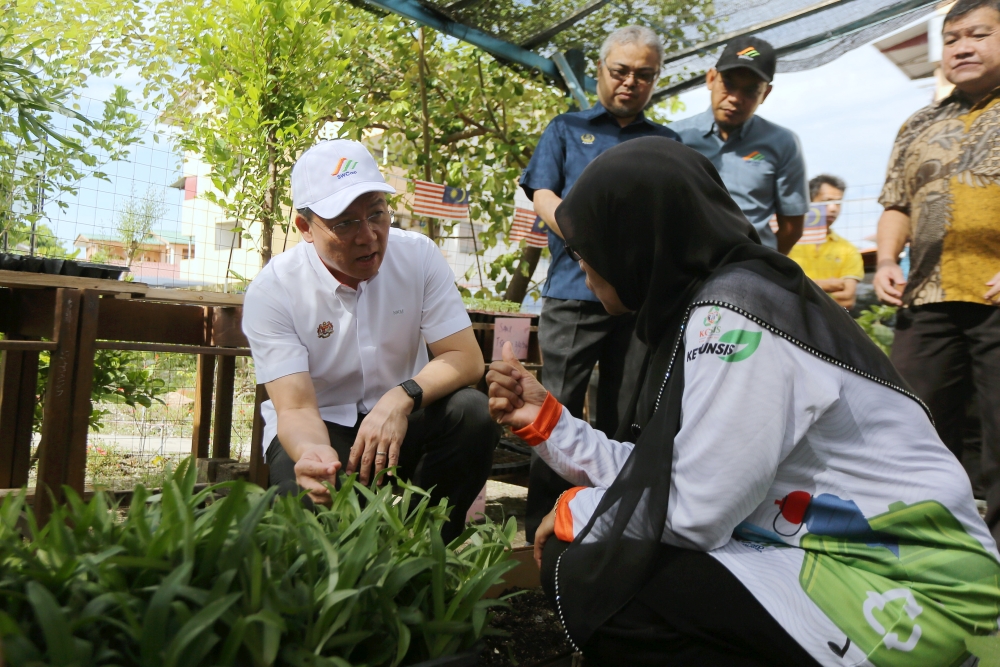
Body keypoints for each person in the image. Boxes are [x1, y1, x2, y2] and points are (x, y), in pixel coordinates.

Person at [487, 138, 1000, 666]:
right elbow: (666, 478)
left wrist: (575, 508)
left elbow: (693, 510)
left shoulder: (734, 319)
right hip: (830, 554)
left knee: (598, 571)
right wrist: (546, 422)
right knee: (611, 549)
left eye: (583, 248)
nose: (578, 266)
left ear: (634, 241)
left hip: (923, 597)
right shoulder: (724, 300)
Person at [242, 139, 497, 541]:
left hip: (405, 417)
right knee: (307, 508)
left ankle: (425, 550)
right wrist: (315, 455)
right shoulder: (274, 290)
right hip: (322, 425)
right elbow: (295, 408)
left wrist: (401, 397)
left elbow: (465, 358)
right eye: (345, 223)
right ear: (305, 228)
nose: (369, 236)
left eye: (377, 213)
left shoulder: (417, 257)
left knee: (472, 413)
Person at [518, 25, 680, 543]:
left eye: (644, 74)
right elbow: (541, 192)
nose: (631, 82)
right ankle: (541, 524)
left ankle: (604, 526)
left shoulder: (666, 143)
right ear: (600, 71)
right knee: (556, 406)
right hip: (571, 289)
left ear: (656, 79)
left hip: (638, 304)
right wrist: (585, 239)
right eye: (621, 71)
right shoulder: (566, 128)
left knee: (624, 412)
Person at [873, 0, 1000, 541]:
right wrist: (883, 261)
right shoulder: (920, 122)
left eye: (979, 34)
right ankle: (923, 552)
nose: (962, 47)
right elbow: (896, 204)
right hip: (925, 300)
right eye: (951, 39)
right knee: (908, 427)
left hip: (996, 300)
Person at [670, 36, 809, 254]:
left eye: (751, 90)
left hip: (752, 270)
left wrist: (762, 264)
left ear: (765, 93)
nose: (735, 98)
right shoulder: (675, 137)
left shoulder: (783, 143)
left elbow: (791, 227)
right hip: (685, 269)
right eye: (729, 84)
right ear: (710, 78)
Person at [788, 174, 864, 308]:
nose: (833, 208)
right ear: (808, 202)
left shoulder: (848, 249)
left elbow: (847, 300)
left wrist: (800, 287)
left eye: (838, 203)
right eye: (826, 201)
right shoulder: (785, 241)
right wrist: (828, 285)